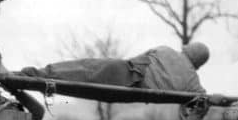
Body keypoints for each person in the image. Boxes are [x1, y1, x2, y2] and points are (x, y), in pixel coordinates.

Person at [20, 42, 209, 93]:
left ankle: (34, 74)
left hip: (129, 74)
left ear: (189, 50)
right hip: (138, 88)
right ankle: (37, 74)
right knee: (85, 70)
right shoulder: (193, 82)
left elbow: (138, 59)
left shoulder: (167, 50)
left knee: (84, 68)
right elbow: (202, 98)